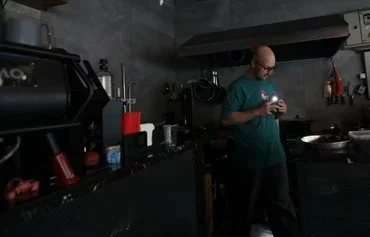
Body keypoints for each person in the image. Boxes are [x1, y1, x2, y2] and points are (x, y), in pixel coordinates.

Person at [221, 45, 299, 237]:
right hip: (250, 160)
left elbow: (271, 116)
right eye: (266, 68)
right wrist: (257, 111)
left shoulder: (269, 83)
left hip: (275, 155)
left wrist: (281, 110)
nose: (269, 72)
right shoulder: (237, 87)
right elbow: (226, 119)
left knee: (282, 207)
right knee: (245, 210)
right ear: (253, 63)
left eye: (273, 69)